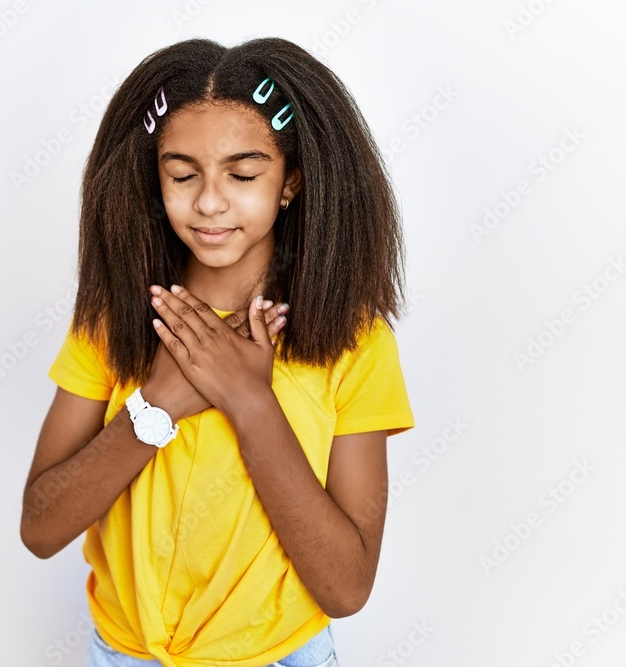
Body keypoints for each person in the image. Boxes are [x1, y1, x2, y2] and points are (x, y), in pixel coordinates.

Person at [21, 36, 415, 667]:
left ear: (291, 181)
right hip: (124, 653)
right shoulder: (111, 320)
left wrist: (248, 400)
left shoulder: (354, 340)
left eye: (243, 174)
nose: (208, 201)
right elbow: (40, 528)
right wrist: (159, 405)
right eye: (182, 174)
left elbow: (346, 586)